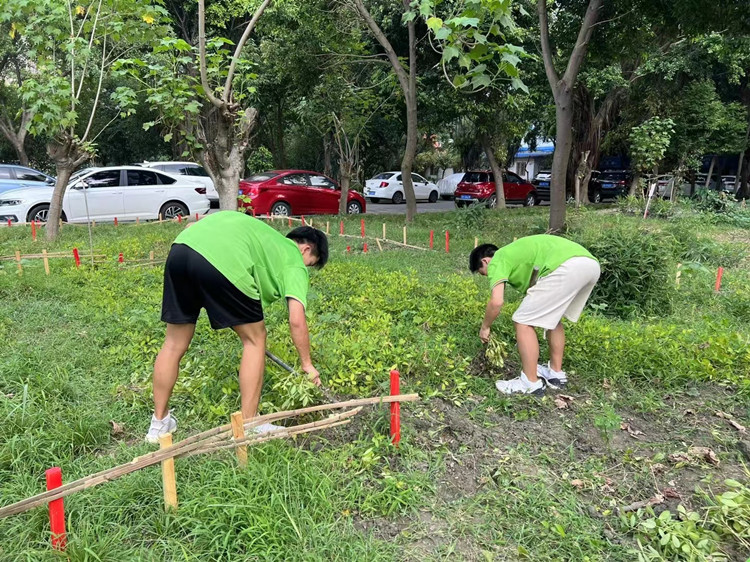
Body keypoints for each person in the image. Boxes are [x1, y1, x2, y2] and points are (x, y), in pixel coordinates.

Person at [145, 211, 327, 443]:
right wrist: (307, 365)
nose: (306, 268)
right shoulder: (294, 259)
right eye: (310, 265)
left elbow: (194, 228)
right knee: (255, 339)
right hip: (224, 263)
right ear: (307, 250)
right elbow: (296, 319)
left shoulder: (260, 234)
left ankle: (158, 425)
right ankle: (250, 424)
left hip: (181, 250)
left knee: (173, 343)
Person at [469, 235, 600, 395]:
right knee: (554, 317)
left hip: (566, 266)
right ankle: (555, 375)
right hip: (589, 264)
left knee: (522, 321)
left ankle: (530, 383)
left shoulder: (498, 258)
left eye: (484, 274)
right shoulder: (516, 255)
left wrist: (485, 327)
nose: (489, 277)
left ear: (485, 261)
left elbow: (497, 302)